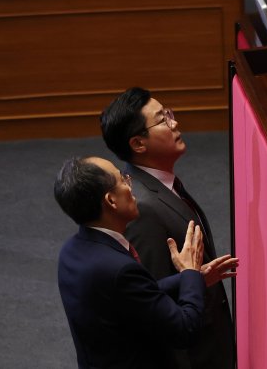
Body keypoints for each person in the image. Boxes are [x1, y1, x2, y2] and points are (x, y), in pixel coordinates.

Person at [101, 88, 237, 369]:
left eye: (169, 114)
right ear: (138, 144)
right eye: (163, 120)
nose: (174, 123)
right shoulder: (144, 209)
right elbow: (153, 304)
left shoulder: (160, 183)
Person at [54, 155, 208, 369]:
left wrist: (188, 280)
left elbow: (131, 297)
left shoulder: (70, 251)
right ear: (111, 200)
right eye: (123, 179)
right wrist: (190, 270)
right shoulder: (119, 269)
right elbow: (185, 330)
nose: (130, 183)